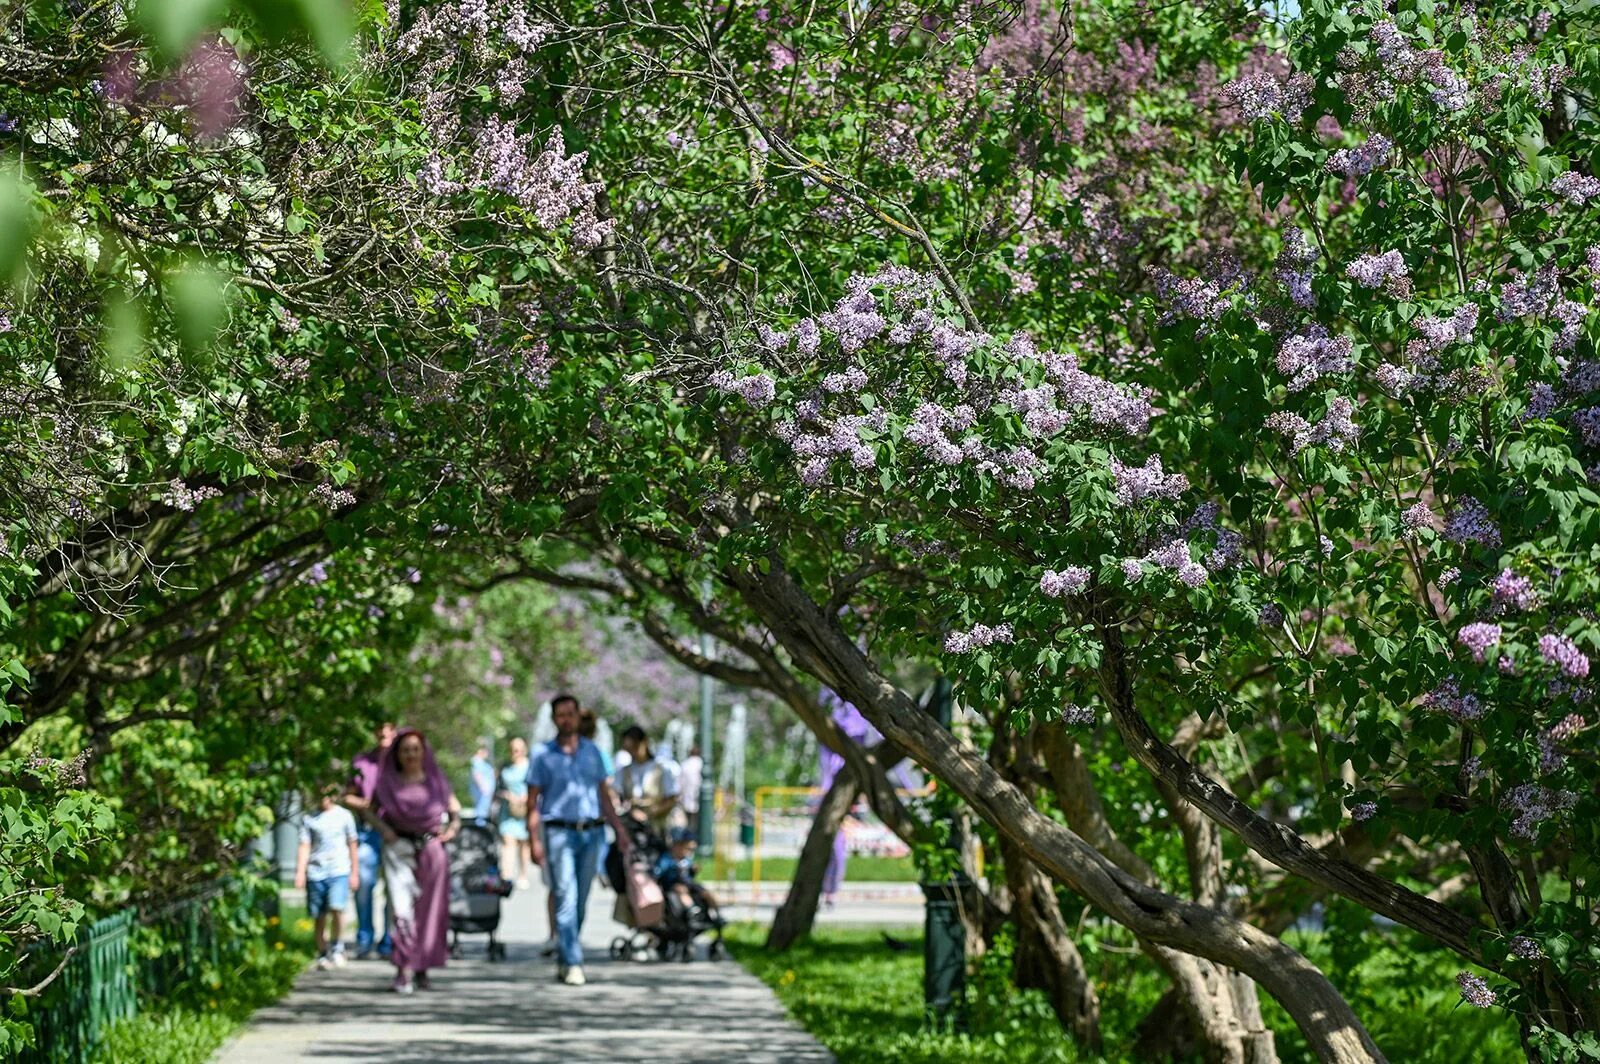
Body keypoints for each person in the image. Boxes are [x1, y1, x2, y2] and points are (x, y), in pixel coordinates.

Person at [526, 693, 629, 986]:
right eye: (561, 714)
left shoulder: (593, 752)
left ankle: (566, 951)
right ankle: (573, 960)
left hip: (592, 833)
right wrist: (534, 841)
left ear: (578, 716)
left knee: (581, 899)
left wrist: (619, 831)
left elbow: (604, 796)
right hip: (558, 832)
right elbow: (533, 801)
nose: (566, 719)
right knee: (565, 896)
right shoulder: (542, 755)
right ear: (554, 719)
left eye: (571, 713)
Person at [373, 727, 461, 994]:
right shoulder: (388, 781)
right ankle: (403, 968)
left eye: (415, 749)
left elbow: (454, 810)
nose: (411, 754)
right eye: (405, 750)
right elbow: (368, 808)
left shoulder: (435, 780)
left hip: (431, 848)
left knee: (429, 911)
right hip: (398, 847)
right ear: (397, 754)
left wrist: (452, 828)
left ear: (423, 753)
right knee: (401, 909)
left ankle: (422, 966)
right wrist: (383, 829)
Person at [342, 721, 395, 959]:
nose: (384, 733)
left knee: (394, 889)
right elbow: (347, 795)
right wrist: (364, 805)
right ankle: (364, 937)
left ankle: (390, 940)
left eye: (389, 728)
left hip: (396, 832)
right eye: (380, 729)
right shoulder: (362, 762)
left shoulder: (402, 761)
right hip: (369, 830)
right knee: (364, 882)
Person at [295, 782, 360, 970]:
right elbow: (304, 845)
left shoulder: (344, 816)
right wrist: (300, 871)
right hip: (316, 872)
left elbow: (352, 844)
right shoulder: (309, 818)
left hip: (339, 870)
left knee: (337, 907)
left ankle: (338, 947)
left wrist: (354, 872)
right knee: (319, 915)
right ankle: (322, 952)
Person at [614, 725, 680, 834]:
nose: (632, 752)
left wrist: (650, 813)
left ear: (644, 742)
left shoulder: (662, 768)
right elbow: (616, 795)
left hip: (657, 828)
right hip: (632, 828)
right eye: (628, 749)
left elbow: (671, 799)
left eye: (634, 747)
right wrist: (630, 811)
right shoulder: (624, 771)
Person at [497, 737, 533, 890]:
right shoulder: (505, 767)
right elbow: (496, 789)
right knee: (508, 841)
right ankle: (507, 875)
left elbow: (536, 787)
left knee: (524, 844)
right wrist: (507, 795)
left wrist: (526, 798)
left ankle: (523, 874)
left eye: (517, 750)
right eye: (512, 749)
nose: (515, 753)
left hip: (525, 810)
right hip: (508, 811)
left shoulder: (530, 767)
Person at [468, 742, 496, 823]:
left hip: (486, 795)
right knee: (480, 814)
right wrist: (484, 788)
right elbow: (476, 775)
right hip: (482, 795)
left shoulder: (483, 763)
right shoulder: (476, 761)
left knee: (484, 812)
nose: (487, 753)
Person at [678, 743, 703, 823]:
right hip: (699, 796)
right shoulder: (701, 763)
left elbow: (680, 783)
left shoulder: (684, 764)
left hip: (687, 796)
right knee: (699, 821)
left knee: (689, 822)